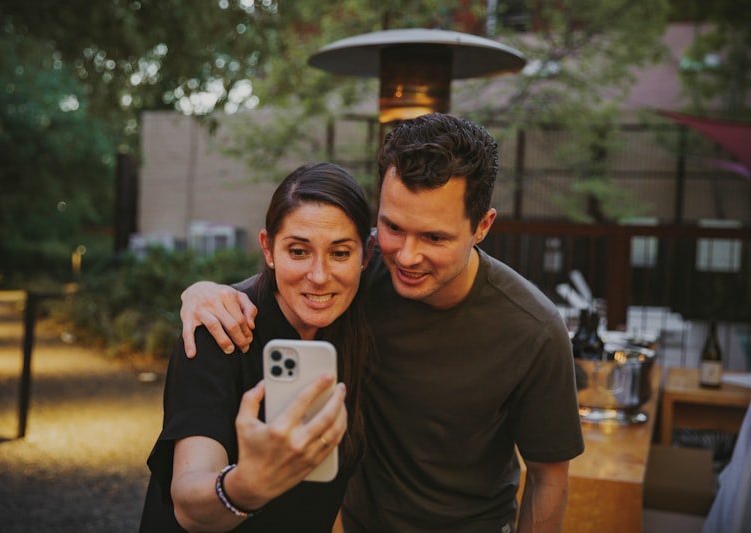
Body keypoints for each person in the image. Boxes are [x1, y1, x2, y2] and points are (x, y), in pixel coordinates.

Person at [179, 113, 584, 532]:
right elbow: (285, 282)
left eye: (434, 237)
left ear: (482, 226)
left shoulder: (533, 328)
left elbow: (548, 477)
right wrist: (204, 292)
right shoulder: (358, 274)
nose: (406, 256)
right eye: (392, 227)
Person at [140, 162, 374, 532]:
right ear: (268, 249)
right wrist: (247, 486)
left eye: (340, 253)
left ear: (367, 255)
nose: (319, 275)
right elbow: (188, 500)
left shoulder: (358, 327)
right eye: (298, 251)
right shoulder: (220, 329)